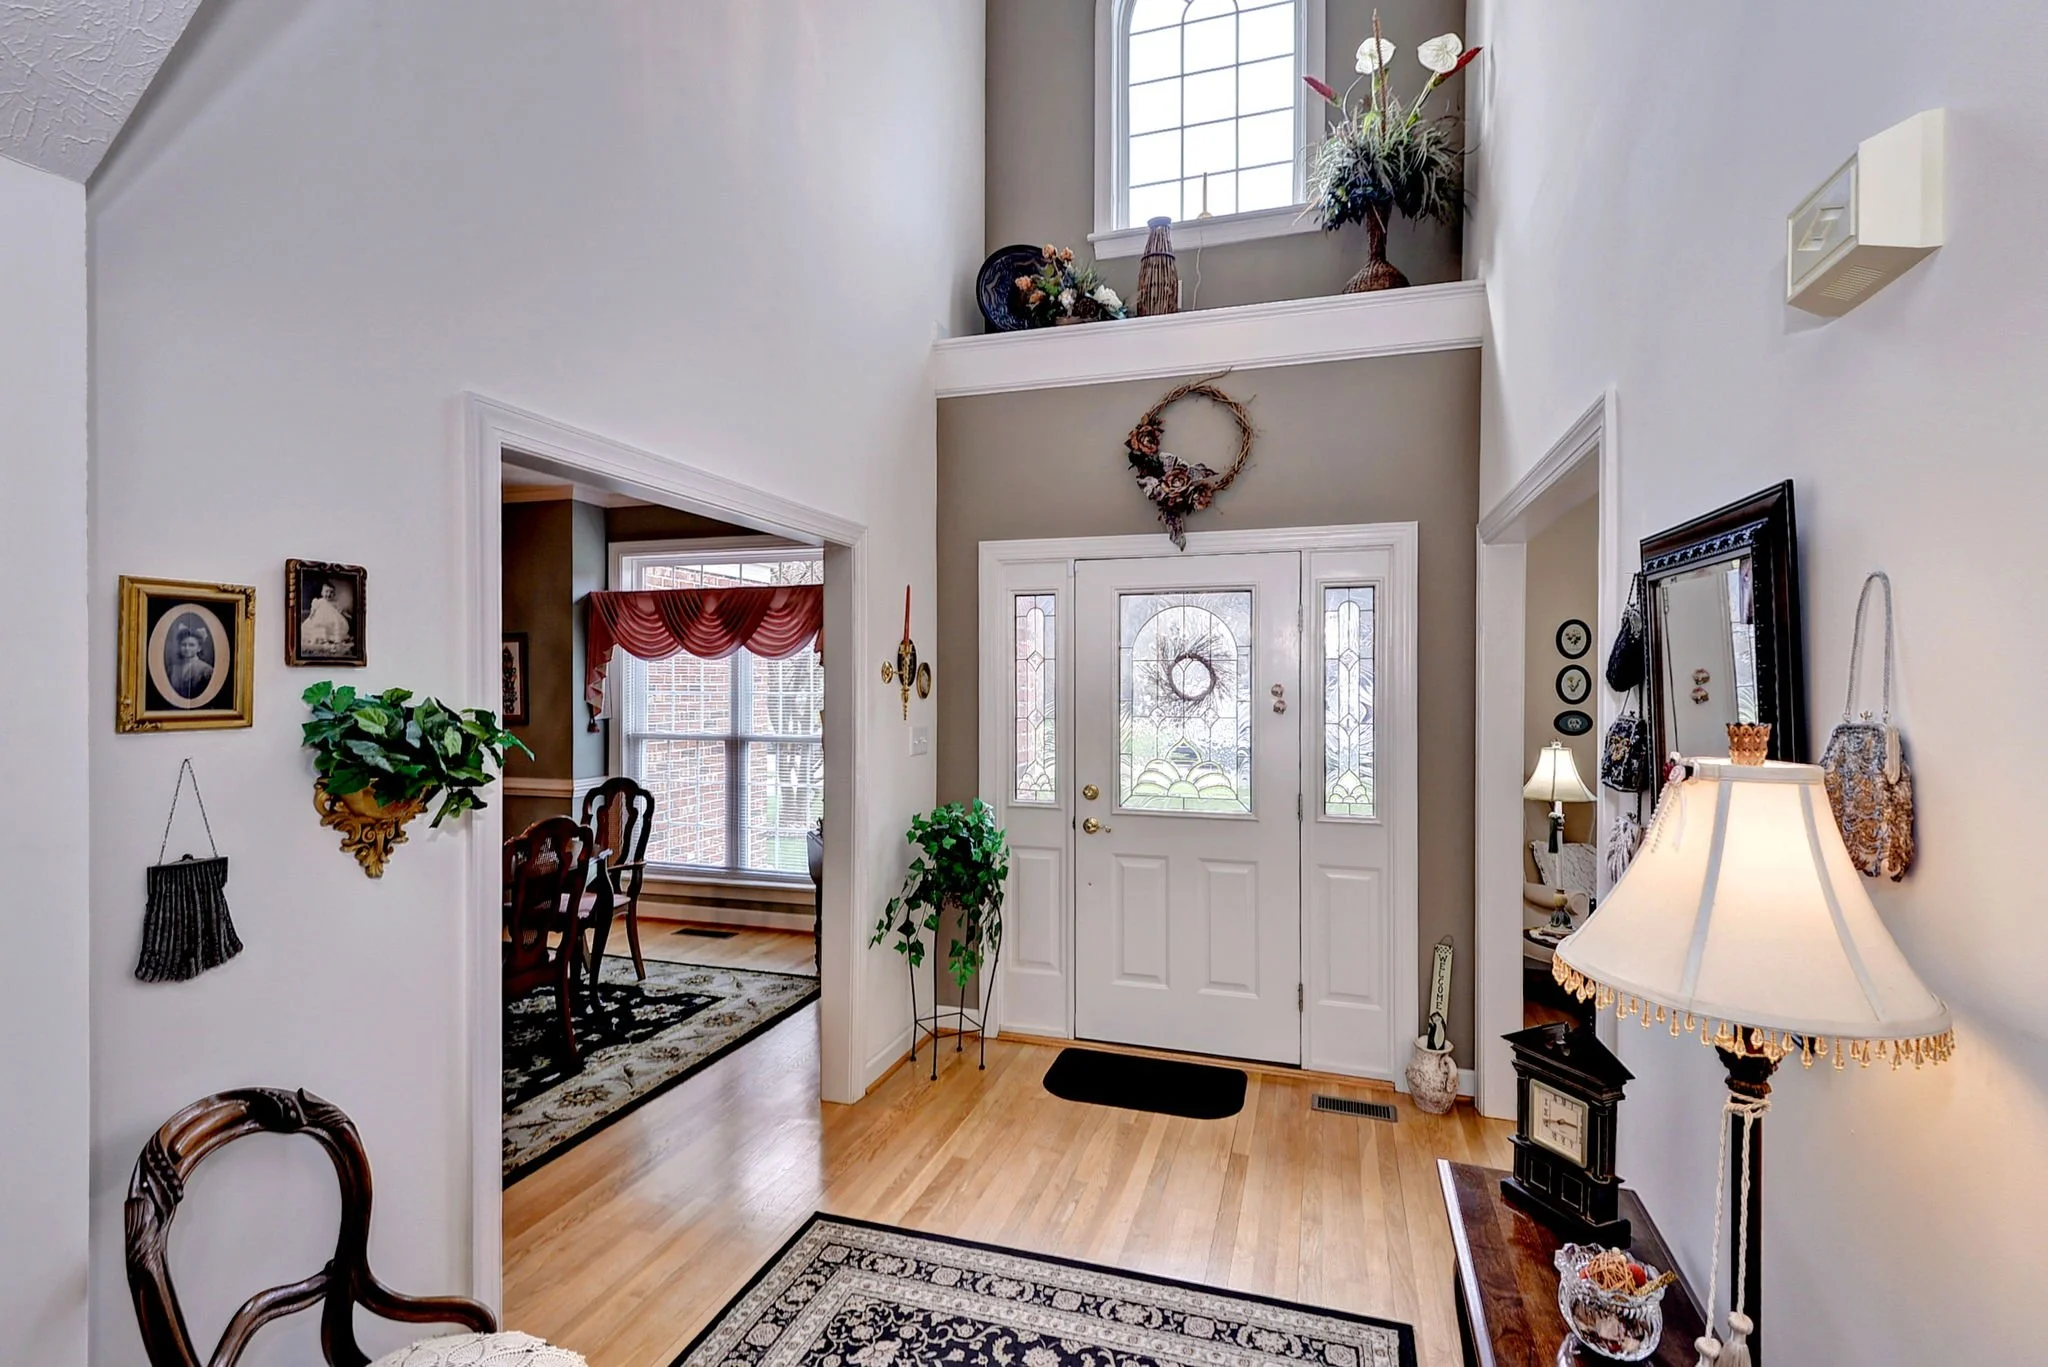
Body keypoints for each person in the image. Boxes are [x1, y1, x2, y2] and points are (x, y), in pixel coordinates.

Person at [300, 579, 352, 654]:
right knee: (318, 626)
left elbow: (341, 611)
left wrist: (348, 616)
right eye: (326, 591)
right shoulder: (318, 601)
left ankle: (331, 639)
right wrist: (311, 615)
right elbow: (313, 610)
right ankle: (320, 639)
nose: (329, 594)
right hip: (320, 618)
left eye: (331, 592)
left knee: (335, 625)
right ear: (322, 593)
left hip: (332, 620)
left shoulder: (335, 603)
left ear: (334, 594)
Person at [168, 621, 214, 699]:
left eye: (191, 645)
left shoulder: (206, 670)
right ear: (179, 646)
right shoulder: (172, 669)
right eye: (183, 645)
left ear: (199, 648)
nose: (187, 648)